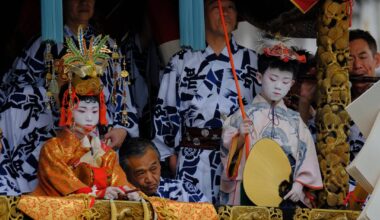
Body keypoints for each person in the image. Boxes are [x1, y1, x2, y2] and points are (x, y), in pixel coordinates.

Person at [0, 0, 138, 195]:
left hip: (98, 133)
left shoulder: (108, 46)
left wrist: (122, 128)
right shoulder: (42, 45)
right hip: (50, 132)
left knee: (109, 181)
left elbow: (123, 97)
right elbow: (15, 92)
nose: (84, 3)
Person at [152, 0, 259, 204]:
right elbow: (165, 112)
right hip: (194, 158)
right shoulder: (181, 61)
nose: (224, 12)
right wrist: (171, 158)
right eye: (216, 7)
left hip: (238, 157)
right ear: (202, 16)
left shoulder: (253, 62)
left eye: (230, 7)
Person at [31, 31, 140, 201]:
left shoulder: (106, 153)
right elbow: (64, 184)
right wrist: (96, 194)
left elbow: (119, 182)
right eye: (82, 111)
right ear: (68, 110)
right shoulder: (53, 149)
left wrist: (129, 191)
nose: (90, 118)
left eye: (95, 111)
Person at [221, 43, 323, 206]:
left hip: (285, 191)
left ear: (292, 84)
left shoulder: (296, 121)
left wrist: (298, 184)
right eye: (273, 79)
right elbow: (228, 156)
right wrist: (239, 137)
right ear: (259, 77)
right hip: (249, 189)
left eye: (285, 81)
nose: (278, 86)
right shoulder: (242, 116)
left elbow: (307, 155)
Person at [119, 137, 208, 202]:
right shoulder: (119, 198)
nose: (149, 179)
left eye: (153, 169)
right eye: (140, 173)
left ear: (160, 164)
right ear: (125, 174)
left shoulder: (182, 191)